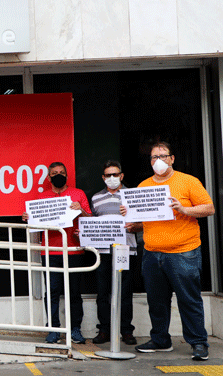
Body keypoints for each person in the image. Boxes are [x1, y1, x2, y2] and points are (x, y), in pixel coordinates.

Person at [122, 141, 214, 361]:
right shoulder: (143, 186)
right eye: (154, 157)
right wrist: (133, 220)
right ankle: (161, 340)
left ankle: (198, 342)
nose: (159, 161)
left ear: (172, 159)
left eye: (163, 156)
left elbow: (209, 208)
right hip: (153, 253)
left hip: (184, 252)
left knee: (189, 299)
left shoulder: (188, 181)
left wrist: (184, 209)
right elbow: (150, 218)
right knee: (157, 301)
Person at [23, 161, 90, 344]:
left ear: (67, 176)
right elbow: (35, 226)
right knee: (51, 292)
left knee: (74, 292)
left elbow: (90, 220)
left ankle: (75, 329)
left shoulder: (78, 194)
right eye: (54, 173)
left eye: (61, 172)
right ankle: (53, 328)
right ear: (49, 177)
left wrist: (81, 210)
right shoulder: (41, 197)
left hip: (74, 251)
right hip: (50, 252)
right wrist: (28, 218)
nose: (58, 175)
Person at [89, 160, 136, 345]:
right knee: (102, 292)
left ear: (122, 176)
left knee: (125, 292)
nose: (112, 178)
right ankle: (104, 330)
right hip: (102, 251)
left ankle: (126, 331)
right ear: (103, 177)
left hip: (125, 250)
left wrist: (135, 226)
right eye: (108, 175)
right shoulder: (95, 198)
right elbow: (92, 223)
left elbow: (142, 224)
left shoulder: (132, 195)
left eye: (115, 174)